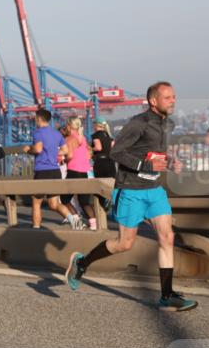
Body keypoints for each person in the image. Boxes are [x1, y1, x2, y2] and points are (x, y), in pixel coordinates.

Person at [66, 82, 196, 310]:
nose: (173, 101)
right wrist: (146, 165)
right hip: (131, 190)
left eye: (174, 97)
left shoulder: (168, 124)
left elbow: (154, 154)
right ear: (153, 101)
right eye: (167, 97)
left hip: (154, 190)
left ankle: (167, 295)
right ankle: (82, 262)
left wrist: (170, 162)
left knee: (167, 237)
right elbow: (116, 152)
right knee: (124, 243)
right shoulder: (138, 123)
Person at [23, 109, 81, 229]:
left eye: (35, 118)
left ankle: (36, 228)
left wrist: (28, 150)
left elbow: (38, 149)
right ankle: (74, 221)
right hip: (55, 171)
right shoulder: (56, 133)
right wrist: (53, 153)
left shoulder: (38, 132)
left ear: (39, 118)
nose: (35, 120)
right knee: (54, 204)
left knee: (36, 202)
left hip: (42, 171)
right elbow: (65, 150)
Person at [60, 117, 96, 230]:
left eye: (66, 125)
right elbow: (87, 155)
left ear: (70, 126)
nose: (65, 127)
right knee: (84, 201)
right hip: (84, 172)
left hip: (73, 171)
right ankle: (94, 224)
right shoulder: (82, 138)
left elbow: (70, 155)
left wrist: (63, 160)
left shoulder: (69, 139)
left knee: (64, 199)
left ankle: (77, 221)